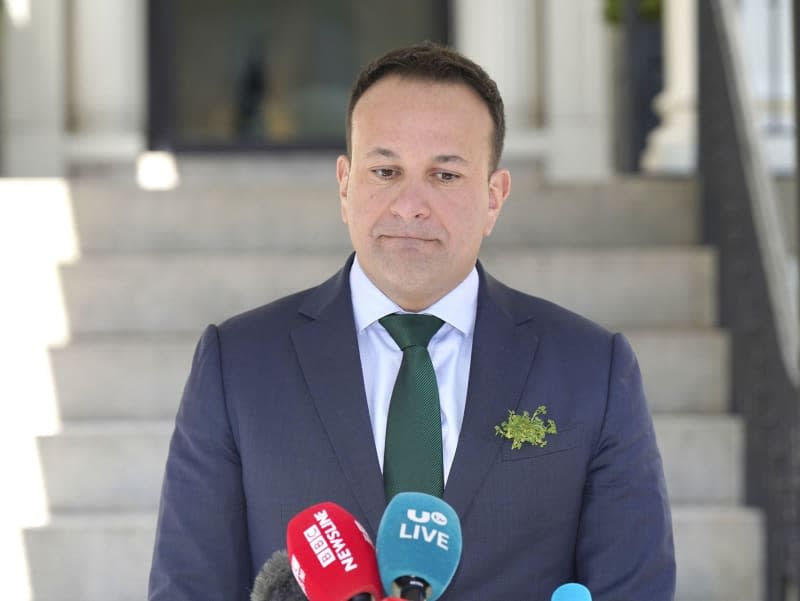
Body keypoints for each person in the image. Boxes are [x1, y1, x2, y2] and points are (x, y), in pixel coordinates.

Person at [148, 43, 675, 601]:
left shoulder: (591, 369)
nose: (410, 205)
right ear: (345, 186)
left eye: (444, 175)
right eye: (386, 170)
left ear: (494, 197)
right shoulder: (239, 365)